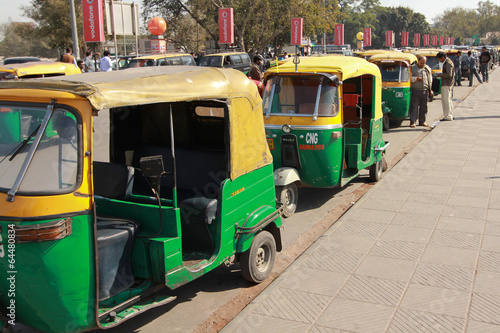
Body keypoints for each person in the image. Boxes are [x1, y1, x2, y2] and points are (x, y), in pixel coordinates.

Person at [409, 55, 433, 128]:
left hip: (425, 90)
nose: (422, 64)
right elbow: (409, 78)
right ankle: (413, 122)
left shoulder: (427, 68)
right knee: (414, 107)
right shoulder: (412, 68)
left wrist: (430, 89)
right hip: (415, 90)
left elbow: (429, 79)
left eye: (424, 63)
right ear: (418, 61)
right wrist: (416, 79)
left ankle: (422, 121)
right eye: (421, 62)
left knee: (424, 107)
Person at [436, 51, 455, 121]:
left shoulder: (448, 64)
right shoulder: (448, 62)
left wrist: (440, 75)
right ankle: (450, 114)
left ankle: (447, 116)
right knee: (448, 100)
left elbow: (448, 74)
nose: (439, 61)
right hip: (448, 83)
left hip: (447, 83)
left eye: (439, 59)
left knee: (445, 100)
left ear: (443, 58)